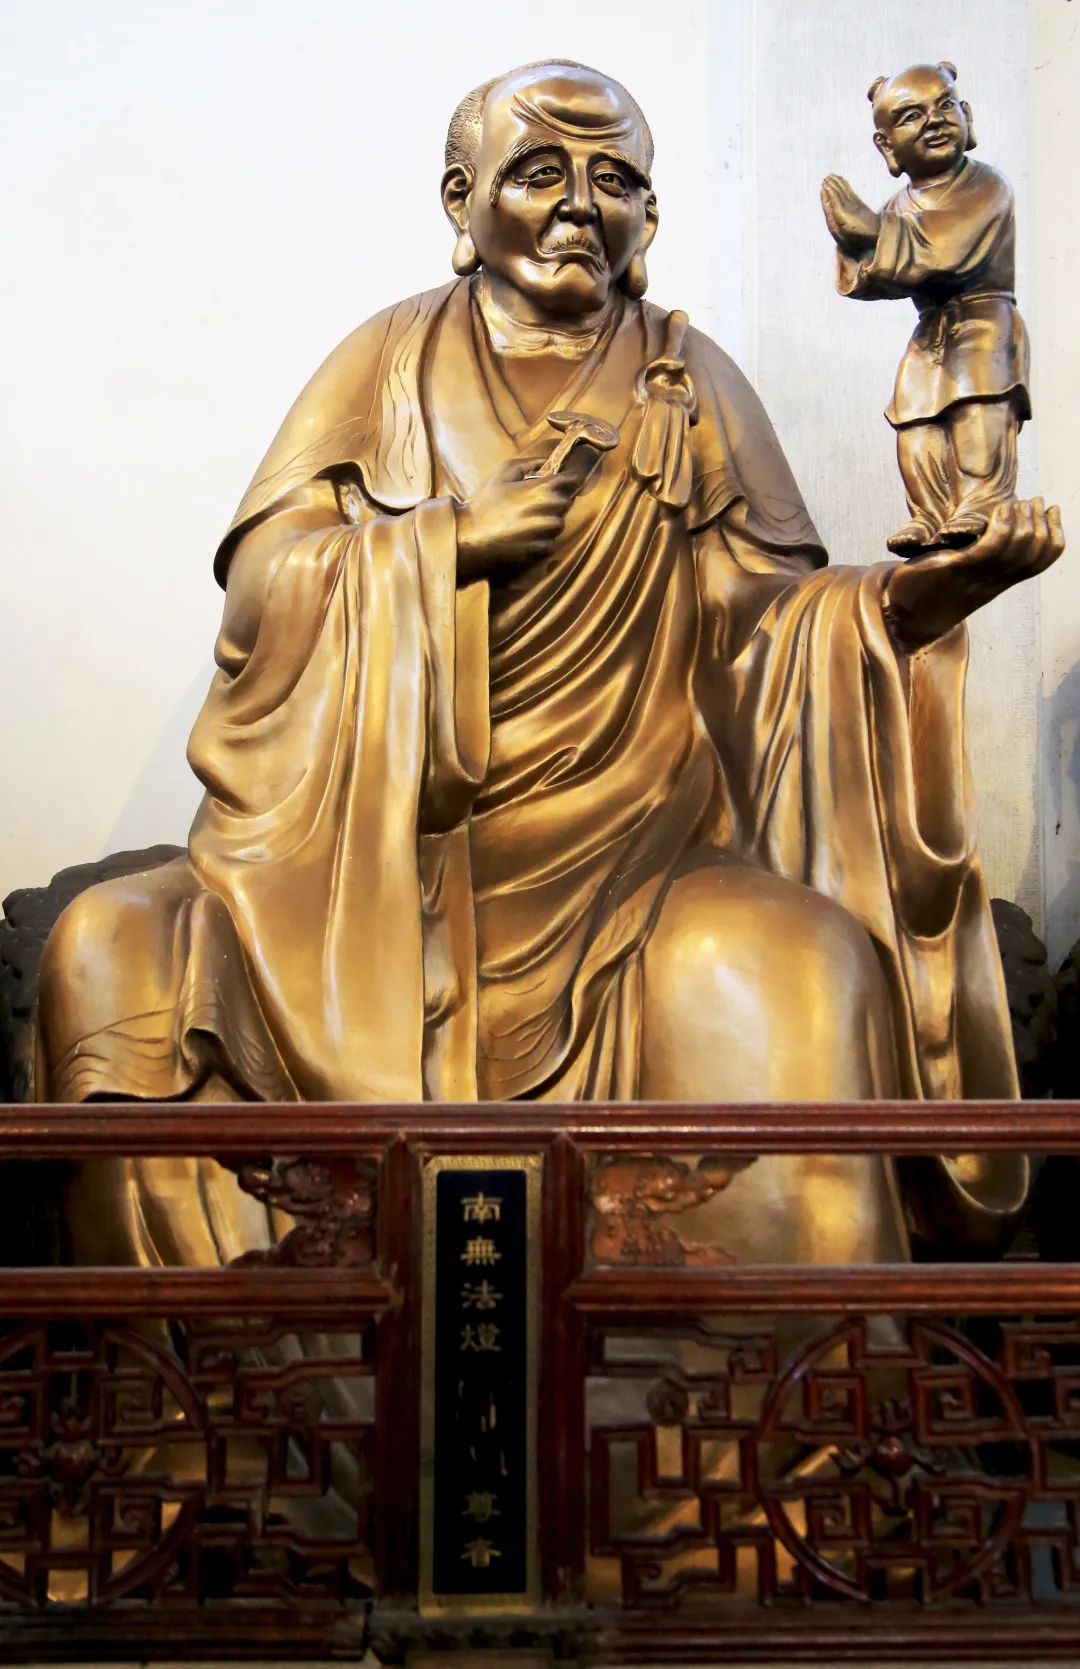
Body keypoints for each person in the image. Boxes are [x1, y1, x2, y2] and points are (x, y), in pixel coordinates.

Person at [36, 59, 1062, 1269]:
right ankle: (238, 1371)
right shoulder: (387, 364)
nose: (581, 202)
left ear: (650, 219)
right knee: (109, 945)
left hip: (635, 861)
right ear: (461, 199)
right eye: (539, 172)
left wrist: (916, 599)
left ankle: (769, 1384)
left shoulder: (690, 382)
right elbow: (263, 596)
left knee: (801, 964)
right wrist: (449, 543)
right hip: (374, 863)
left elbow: (765, 627)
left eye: (614, 179)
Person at [822, 61, 1030, 553]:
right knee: (915, 418)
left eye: (945, 106)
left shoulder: (986, 186)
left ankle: (980, 500)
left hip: (985, 321)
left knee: (977, 407)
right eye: (912, 115)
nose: (935, 120)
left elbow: (945, 249)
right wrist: (856, 240)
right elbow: (876, 278)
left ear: (967, 116)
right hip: (930, 330)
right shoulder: (900, 205)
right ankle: (929, 511)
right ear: (887, 146)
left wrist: (871, 232)